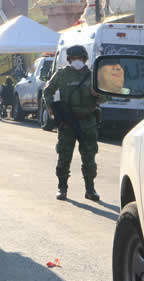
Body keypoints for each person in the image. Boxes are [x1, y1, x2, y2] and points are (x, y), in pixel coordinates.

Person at [43, 45, 106, 202]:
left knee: (89, 158)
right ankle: (62, 188)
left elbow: (106, 97)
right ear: (69, 60)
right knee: (64, 156)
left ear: (85, 59)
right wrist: (51, 107)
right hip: (68, 122)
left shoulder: (93, 76)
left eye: (80, 58)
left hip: (88, 121)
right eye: (73, 59)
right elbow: (47, 91)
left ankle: (90, 189)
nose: (77, 61)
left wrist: (97, 94)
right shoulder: (62, 74)